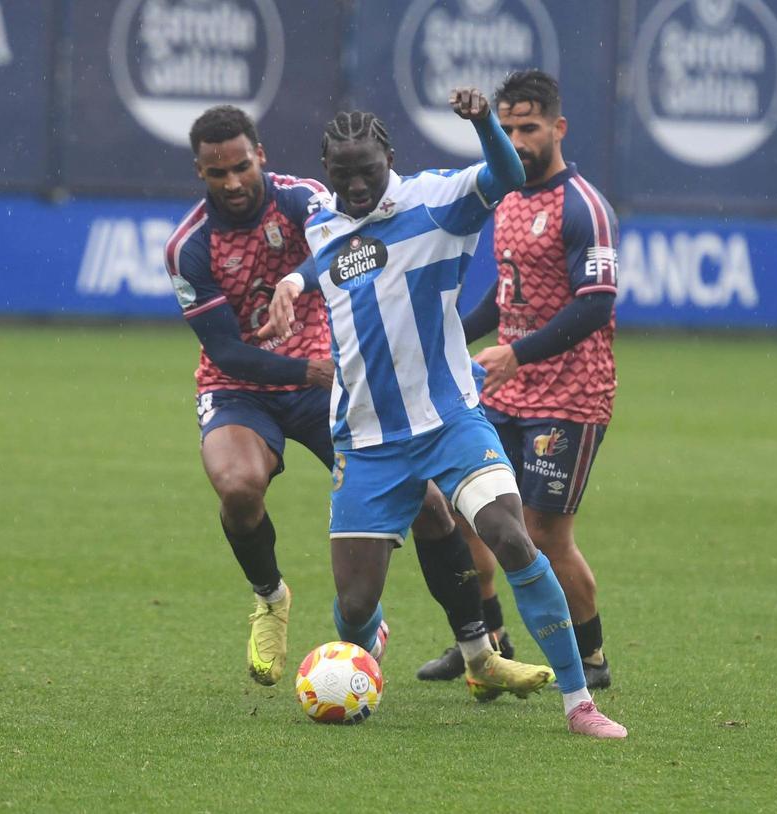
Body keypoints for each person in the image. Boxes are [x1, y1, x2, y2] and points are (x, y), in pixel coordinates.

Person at [258, 88, 627, 737]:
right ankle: (377, 646)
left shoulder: (439, 199)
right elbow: (329, 254)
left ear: (389, 159)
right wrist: (294, 282)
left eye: (368, 171)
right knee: (353, 606)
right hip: (368, 440)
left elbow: (509, 174)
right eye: (342, 175)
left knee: (511, 536)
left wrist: (484, 122)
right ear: (327, 171)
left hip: (451, 421)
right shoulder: (325, 222)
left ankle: (580, 703)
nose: (357, 185)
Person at [163, 105, 545, 698]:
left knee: (431, 505)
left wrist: (296, 285)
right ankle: (271, 600)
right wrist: (306, 366)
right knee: (238, 487)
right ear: (200, 173)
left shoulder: (307, 201)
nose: (234, 182)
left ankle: (478, 650)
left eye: (242, 166)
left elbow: (354, 244)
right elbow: (227, 351)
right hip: (244, 387)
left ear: (260, 155)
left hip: (336, 383)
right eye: (219, 174)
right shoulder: (189, 245)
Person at [415, 70, 617, 690]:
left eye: (529, 128)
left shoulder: (582, 204)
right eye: (507, 128)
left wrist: (517, 354)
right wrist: (440, 332)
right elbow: (504, 302)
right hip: (507, 388)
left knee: (544, 533)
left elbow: (596, 303)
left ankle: (592, 658)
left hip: (571, 395)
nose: (518, 140)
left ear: (558, 128)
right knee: (467, 508)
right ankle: (488, 641)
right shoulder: (505, 198)